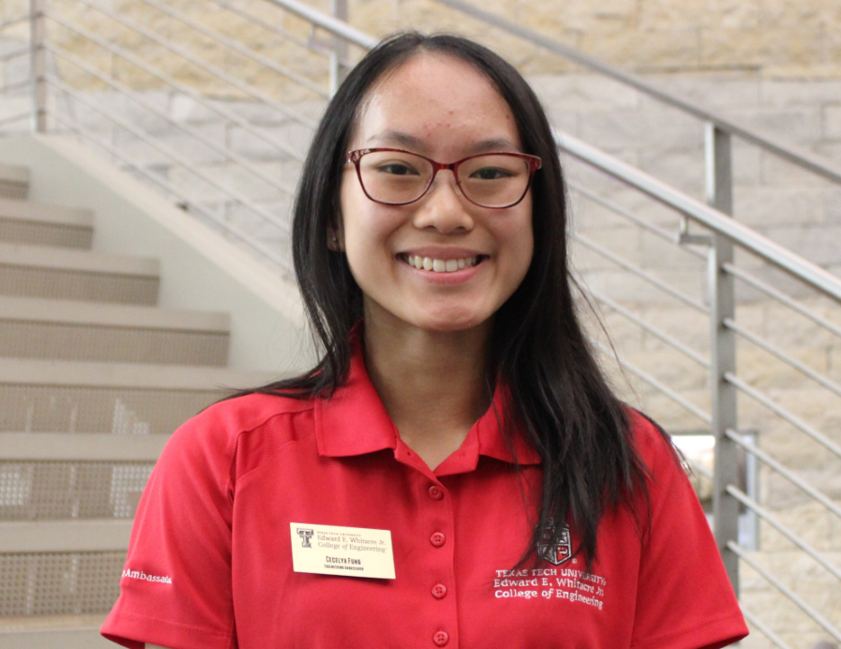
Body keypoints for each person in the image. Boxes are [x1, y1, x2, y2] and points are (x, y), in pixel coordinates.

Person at [101, 32, 749, 649]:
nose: (444, 212)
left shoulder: (629, 460)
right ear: (332, 215)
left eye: (490, 172)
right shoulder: (224, 458)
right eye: (397, 168)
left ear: (537, 211)